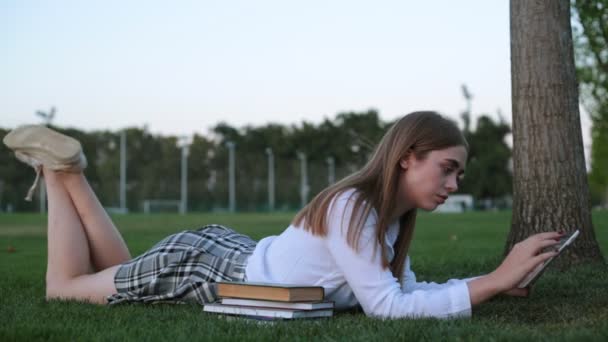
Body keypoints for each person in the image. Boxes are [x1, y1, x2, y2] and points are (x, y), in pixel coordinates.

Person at [3, 111, 562, 319]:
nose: (453, 183)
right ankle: (62, 172)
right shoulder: (352, 209)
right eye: (446, 168)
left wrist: (488, 285)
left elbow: (407, 293)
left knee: (117, 271)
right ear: (407, 158)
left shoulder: (387, 220)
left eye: (458, 175)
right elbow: (387, 309)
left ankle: (68, 173)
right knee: (65, 288)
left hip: (228, 255)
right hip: (209, 269)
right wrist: (490, 281)